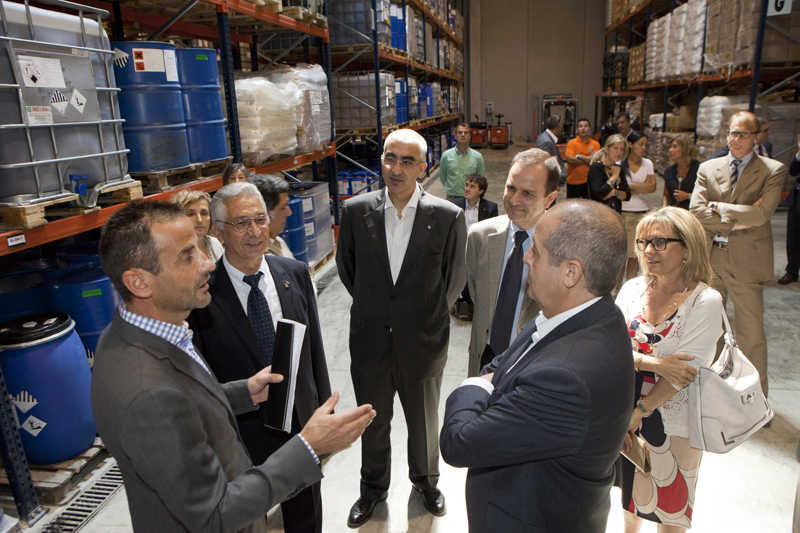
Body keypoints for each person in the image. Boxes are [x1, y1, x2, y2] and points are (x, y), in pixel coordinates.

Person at [92, 201, 375, 533]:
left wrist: (244, 393)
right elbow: (213, 516)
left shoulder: (137, 332)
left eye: (201, 248)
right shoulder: (146, 393)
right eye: (187, 256)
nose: (207, 264)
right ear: (139, 282)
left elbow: (184, 404)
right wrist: (308, 447)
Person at [440, 199, 634, 533]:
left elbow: (459, 442)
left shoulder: (566, 379)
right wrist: (494, 383)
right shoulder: (580, 313)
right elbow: (506, 360)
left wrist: (473, 385)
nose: (526, 256)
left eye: (537, 251)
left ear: (571, 273)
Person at [336, 128, 467, 528]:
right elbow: (348, 270)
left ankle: (426, 482)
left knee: (423, 421)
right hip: (370, 340)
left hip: (423, 341)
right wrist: (379, 310)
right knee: (372, 420)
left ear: (423, 167)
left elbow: (454, 279)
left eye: (407, 161)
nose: (396, 169)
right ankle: (372, 489)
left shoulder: (446, 217)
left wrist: (422, 315)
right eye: (390, 158)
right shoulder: (356, 212)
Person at [187, 182, 331, 533]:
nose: (254, 231)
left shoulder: (293, 273)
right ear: (218, 231)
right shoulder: (201, 294)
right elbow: (202, 379)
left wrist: (323, 411)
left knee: (306, 515)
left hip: (298, 422)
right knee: (246, 521)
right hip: (240, 433)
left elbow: (314, 351)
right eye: (241, 223)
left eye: (260, 219)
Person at [615, 206, 724, 532]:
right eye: (643, 242)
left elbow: (684, 374)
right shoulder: (632, 289)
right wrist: (656, 363)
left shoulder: (705, 301)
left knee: (669, 515)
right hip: (623, 413)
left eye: (660, 242)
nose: (649, 250)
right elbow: (609, 348)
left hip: (674, 421)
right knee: (629, 507)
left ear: (688, 248)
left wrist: (641, 410)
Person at [690, 110, 786, 397]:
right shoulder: (708, 168)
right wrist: (738, 218)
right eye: (732, 133)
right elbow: (696, 211)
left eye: (743, 134)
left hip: (747, 262)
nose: (735, 139)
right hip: (712, 259)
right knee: (710, 330)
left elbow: (762, 214)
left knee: (750, 334)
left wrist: (718, 208)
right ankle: (711, 394)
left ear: (756, 137)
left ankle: (755, 399)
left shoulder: (772, 170)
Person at [464, 148, 558, 377]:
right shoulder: (480, 236)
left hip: (534, 364)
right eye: (511, 188)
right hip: (484, 356)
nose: (514, 200)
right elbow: (476, 294)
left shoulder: (564, 248)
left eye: (528, 194)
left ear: (550, 198)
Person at [452, 175, 498, 321]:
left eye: (472, 186)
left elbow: (492, 234)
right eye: (466, 185)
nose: (467, 189)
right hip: (460, 248)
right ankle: (463, 301)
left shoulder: (490, 208)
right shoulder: (455, 205)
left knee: (477, 276)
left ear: (481, 191)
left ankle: (474, 302)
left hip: (479, 249)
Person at [621, 131, 656, 281]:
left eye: (645, 145)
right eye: (640, 144)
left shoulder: (648, 164)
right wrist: (642, 186)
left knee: (635, 255)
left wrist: (630, 187)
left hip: (642, 213)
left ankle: (630, 283)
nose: (643, 148)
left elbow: (652, 187)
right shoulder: (621, 163)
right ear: (630, 144)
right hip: (624, 212)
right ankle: (617, 288)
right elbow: (621, 189)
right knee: (623, 255)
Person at [170, 189, 224, 262]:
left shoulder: (214, 243)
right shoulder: (172, 254)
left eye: (204, 213)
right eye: (190, 214)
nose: (199, 220)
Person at [250, 174, 296, 259]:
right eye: (283, 207)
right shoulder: (263, 259)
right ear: (264, 215)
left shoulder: (278, 241)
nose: (289, 212)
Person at [439, 123, 486, 201]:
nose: (463, 135)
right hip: (452, 199)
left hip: (471, 199)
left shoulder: (478, 157)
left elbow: (481, 180)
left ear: (470, 136)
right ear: (455, 135)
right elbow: (443, 177)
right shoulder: (446, 156)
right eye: (460, 132)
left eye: (466, 133)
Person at [588, 133, 631, 212]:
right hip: (598, 213)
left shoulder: (619, 168)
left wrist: (614, 192)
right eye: (615, 148)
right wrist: (614, 177)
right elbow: (599, 195)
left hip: (615, 214)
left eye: (622, 149)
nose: (619, 152)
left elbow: (627, 195)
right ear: (607, 149)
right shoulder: (596, 167)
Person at [778, 134, 800, 285]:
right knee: (793, 235)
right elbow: (793, 171)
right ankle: (792, 270)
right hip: (798, 198)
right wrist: (798, 154)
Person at [564, 117, 601, 198]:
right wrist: (589, 159)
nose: (583, 128)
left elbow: (596, 161)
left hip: (590, 182)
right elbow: (570, 160)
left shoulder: (596, 144)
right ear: (577, 129)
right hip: (573, 182)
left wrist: (580, 157)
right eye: (580, 126)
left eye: (585, 126)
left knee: (589, 205)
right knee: (573, 205)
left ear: (590, 129)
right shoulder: (571, 143)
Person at [662, 137, 700, 209]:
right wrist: (664, 207)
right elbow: (666, 195)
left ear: (685, 149)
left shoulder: (699, 169)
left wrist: (688, 196)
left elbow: (706, 196)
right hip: (674, 211)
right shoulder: (669, 171)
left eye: (674, 147)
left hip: (693, 211)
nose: (670, 150)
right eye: (670, 147)